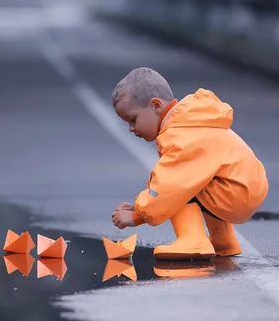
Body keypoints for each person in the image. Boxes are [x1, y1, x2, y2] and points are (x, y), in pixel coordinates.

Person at [110, 67, 268, 260]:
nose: (131, 129)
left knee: (178, 183)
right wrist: (138, 205)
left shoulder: (181, 135)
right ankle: (222, 240)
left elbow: (170, 186)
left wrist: (138, 216)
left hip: (235, 193)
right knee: (197, 178)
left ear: (156, 105)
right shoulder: (192, 121)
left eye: (133, 120)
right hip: (246, 186)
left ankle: (192, 241)